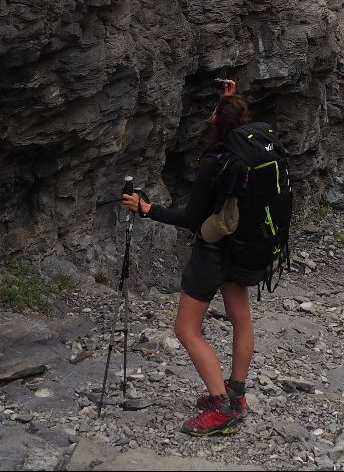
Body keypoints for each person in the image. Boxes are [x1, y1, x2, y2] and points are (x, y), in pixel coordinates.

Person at [121, 79, 263, 437]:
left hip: (213, 251)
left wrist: (146, 208)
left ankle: (221, 407)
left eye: (214, 113)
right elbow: (232, 120)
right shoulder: (250, 150)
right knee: (240, 317)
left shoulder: (215, 164)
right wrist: (228, 102)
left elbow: (190, 219)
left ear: (219, 123)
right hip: (243, 247)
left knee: (185, 329)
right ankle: (237, 393)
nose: (210, 116)